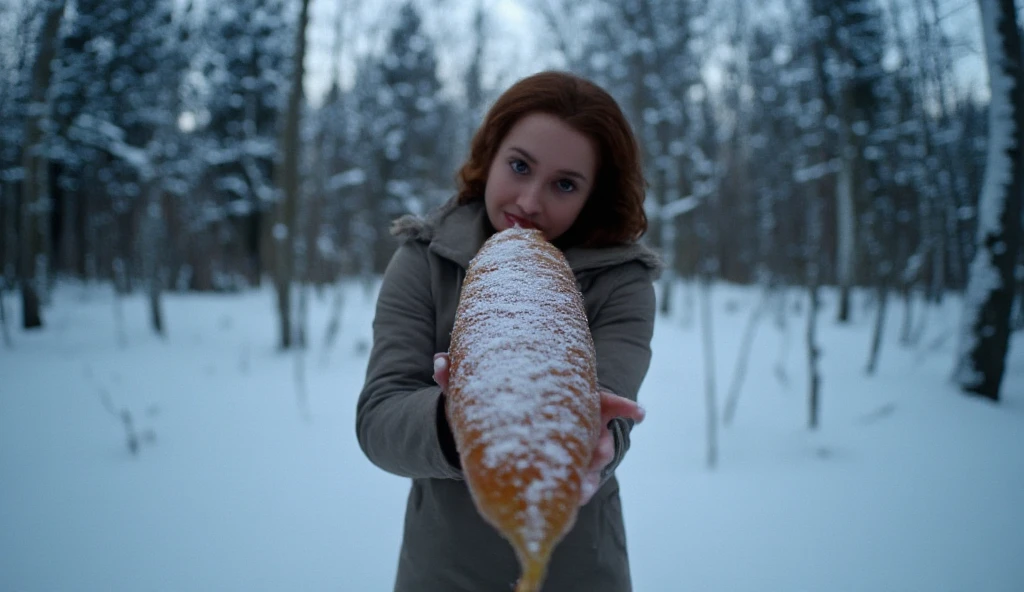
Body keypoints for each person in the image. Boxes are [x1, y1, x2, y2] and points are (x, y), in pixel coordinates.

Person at [356, 70, 662, 592]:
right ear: (489, 154)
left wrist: (598, 435)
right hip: (443, 566)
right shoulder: (424, 260)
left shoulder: (621, 283)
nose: (529, 201)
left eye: (564, 184)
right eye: (519, 166)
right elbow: (379, 419)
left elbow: (612, 409)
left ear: (594, 194)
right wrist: (459, 419)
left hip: (579, 567)